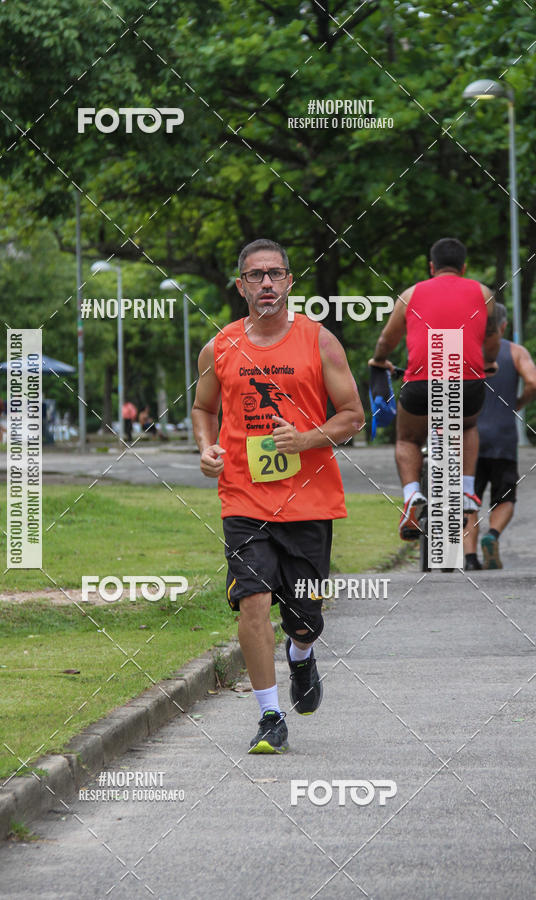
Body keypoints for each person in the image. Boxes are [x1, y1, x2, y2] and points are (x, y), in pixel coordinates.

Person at [191, 238, 364, 754]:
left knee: (305, 614)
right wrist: (207, 448)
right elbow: (203, 409)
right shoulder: (219, 346)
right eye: (255, 275)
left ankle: (303, 653)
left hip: (308, 500)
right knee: (253, 600)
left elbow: (353, 415)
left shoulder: (320, 342)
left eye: (275, 273)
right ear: (240, 285)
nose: (266, 283)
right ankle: (269, 715)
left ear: (290, 281)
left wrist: (307, 438)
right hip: (243, 498)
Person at [369, 238, 500, 540]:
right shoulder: (483, 293)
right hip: (467, 384)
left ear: (432, 267)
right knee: (468, 427)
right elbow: (491, 340)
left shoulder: (410, 295)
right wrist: (489, 363)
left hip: (420, 385)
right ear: (464, 267)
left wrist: (379, 360)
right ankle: (467, 491)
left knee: (407, 438)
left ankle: (413, 495)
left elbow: (386, 341)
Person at [464, 303, 536, 569]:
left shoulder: (464, 350)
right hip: (503, 439)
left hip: (468, 437)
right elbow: (533, 381)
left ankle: (470, 559)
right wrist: (519, 402)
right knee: (505, 497)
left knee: (468, 497)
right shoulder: (516, 352)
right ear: (502, 326)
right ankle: (492, 535)